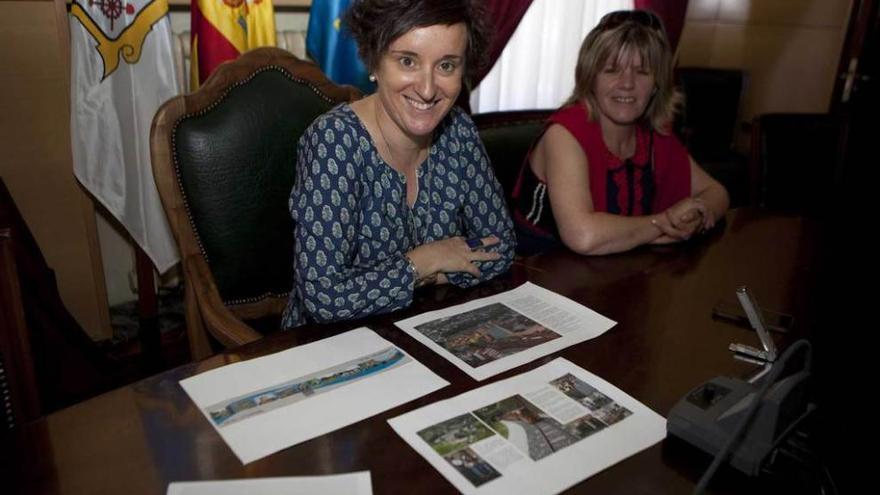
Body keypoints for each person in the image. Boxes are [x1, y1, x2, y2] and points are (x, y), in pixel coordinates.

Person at [282, 0, 515, 328]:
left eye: (446, 66)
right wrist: (423, 262)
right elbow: (323, 298)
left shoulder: (459, 129)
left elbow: (501, 245)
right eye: (408, 61)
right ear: (373, 62)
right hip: (329, 344)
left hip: (427, 326)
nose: (427, 88)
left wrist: (414, 280)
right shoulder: (334, 141)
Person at [512, 10, 729, 256]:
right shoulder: (564, 134)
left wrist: (695, 215)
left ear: (657, 82)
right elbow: (583, 236)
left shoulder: (655, 134)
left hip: (616, 277)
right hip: (539, 278)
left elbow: (717, 193)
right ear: (590, 76)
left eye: (642, 71)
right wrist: (664, 223)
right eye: (612, 70)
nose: (627, 83)